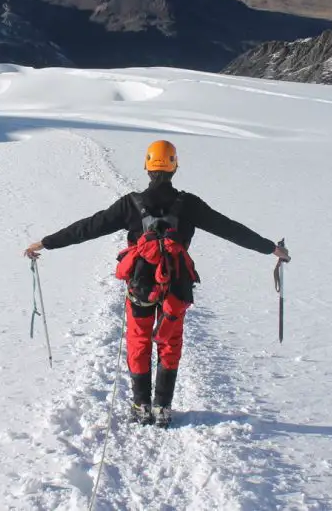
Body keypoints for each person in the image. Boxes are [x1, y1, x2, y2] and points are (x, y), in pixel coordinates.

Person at [24, 140, 290, 428]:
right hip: (176, 284)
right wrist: (270, 248)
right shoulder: (189, 204)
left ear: (147, 167)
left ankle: (140, 405)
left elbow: (89, 227)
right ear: (174, 167)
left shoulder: (131, 204)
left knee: (139, 340)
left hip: (140, 285)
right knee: (170, 341)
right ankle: (162, 406)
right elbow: (230, 229)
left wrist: (46, 243)